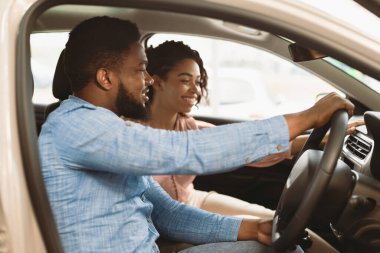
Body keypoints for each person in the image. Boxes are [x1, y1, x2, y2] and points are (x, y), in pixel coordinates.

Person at [38, 16, 354, 253]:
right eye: (139, 69)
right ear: (106, 77)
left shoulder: (108, 127)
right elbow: (186, 151)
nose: (148, 79)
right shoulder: (75, 126)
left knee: (277, 248)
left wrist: (250, 228)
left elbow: (168, 214)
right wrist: (306, 117)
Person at [145, 40, 363, 220]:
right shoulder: (130, 135)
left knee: (273, 221)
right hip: (162, 219)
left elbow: (246, 148)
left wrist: (325, 137)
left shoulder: (190, 126)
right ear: (156, 82)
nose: (195, 89)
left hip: (192, 199)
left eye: (198, 81)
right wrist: (310, 116)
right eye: (185, 81)